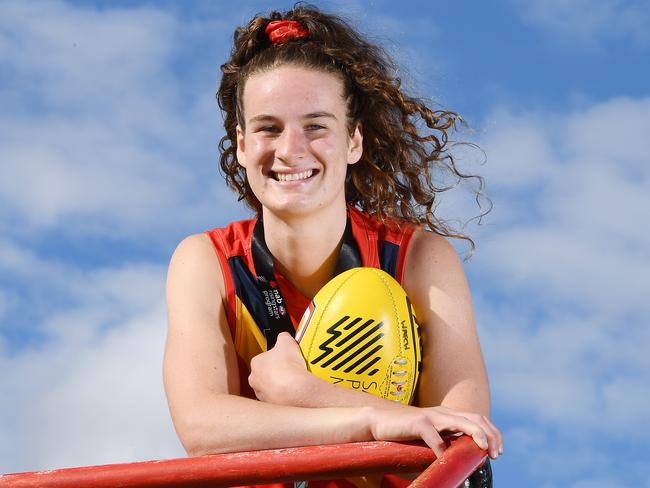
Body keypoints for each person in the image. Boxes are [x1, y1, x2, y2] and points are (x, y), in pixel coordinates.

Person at [163, 5, 502, 486]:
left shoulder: (419, 258)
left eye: (316, 125)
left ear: (353, 141)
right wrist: (368, 420)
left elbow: (461, 441)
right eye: (268, 127)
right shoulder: (205, 260)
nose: (289, 149)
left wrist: (305, 392)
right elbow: (200, 426)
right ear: (240, 145)